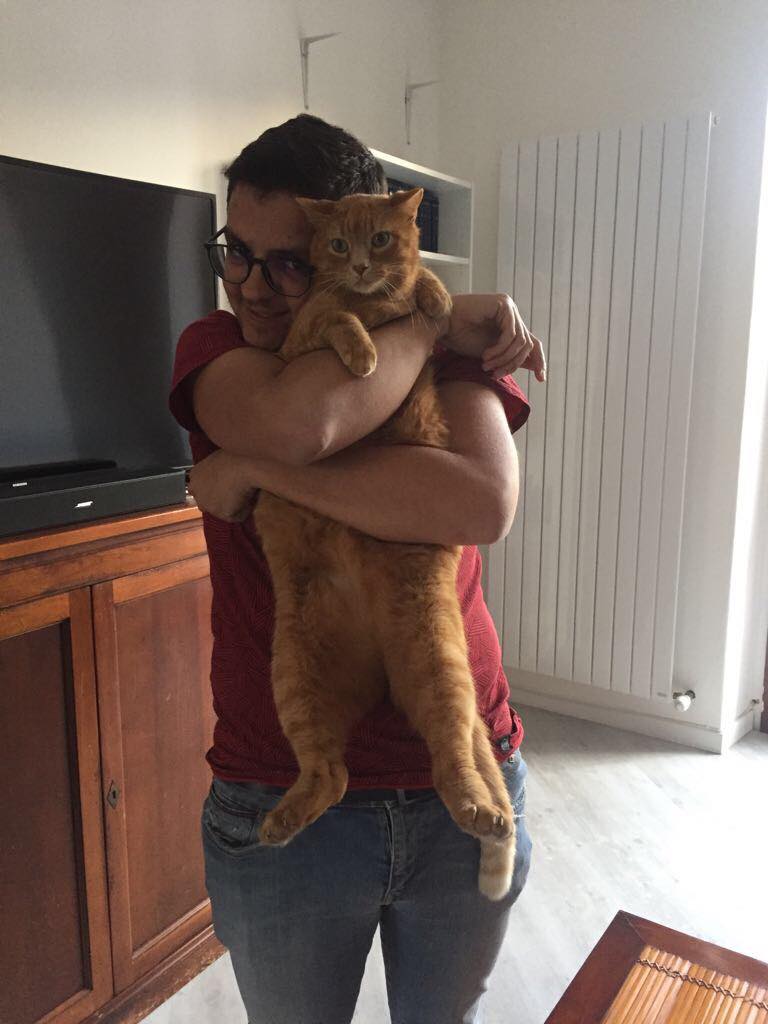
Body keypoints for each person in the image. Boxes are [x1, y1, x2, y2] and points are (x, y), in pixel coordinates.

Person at [170, 113, 546, 1024]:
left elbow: (480, 505)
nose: (251, 286)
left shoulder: (454, 350)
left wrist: (256, 470)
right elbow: (301, 423)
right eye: (236, 252)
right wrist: (433, 320)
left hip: (461, 770)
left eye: (289, 263)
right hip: (284, 783)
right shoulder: (217, 350)